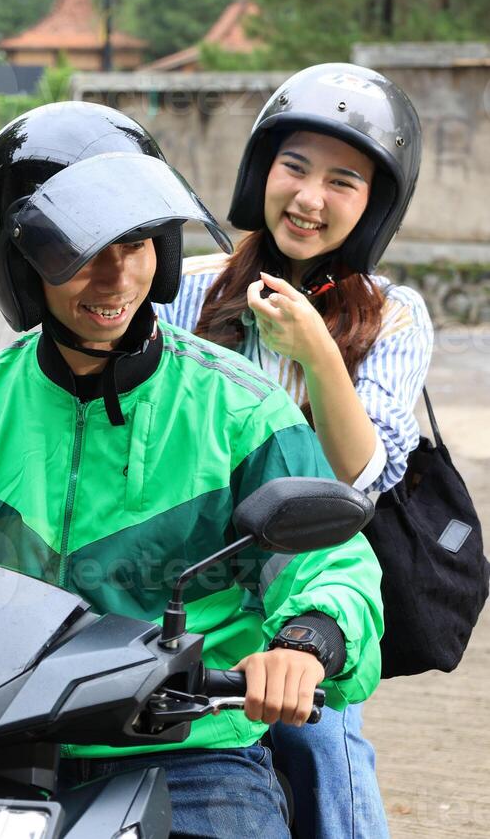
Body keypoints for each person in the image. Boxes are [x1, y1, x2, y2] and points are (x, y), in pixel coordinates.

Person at [0, 101, 384, 839]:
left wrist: (306, 641)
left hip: (185, 755)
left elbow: (331, 566)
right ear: (20, 264)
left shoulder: (240, 411)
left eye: (136, 243)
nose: (116, 276)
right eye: (79, 251)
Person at [157, 63, 434, 838]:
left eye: (343, 181)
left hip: (310, 592)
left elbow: (361, 475)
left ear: (375, 204)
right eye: (295, 168)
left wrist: (316, 350)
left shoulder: (395, 317)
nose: (310, 198)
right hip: (191, 583)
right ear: (261, 172)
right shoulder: (188, 289)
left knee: (325, 756)